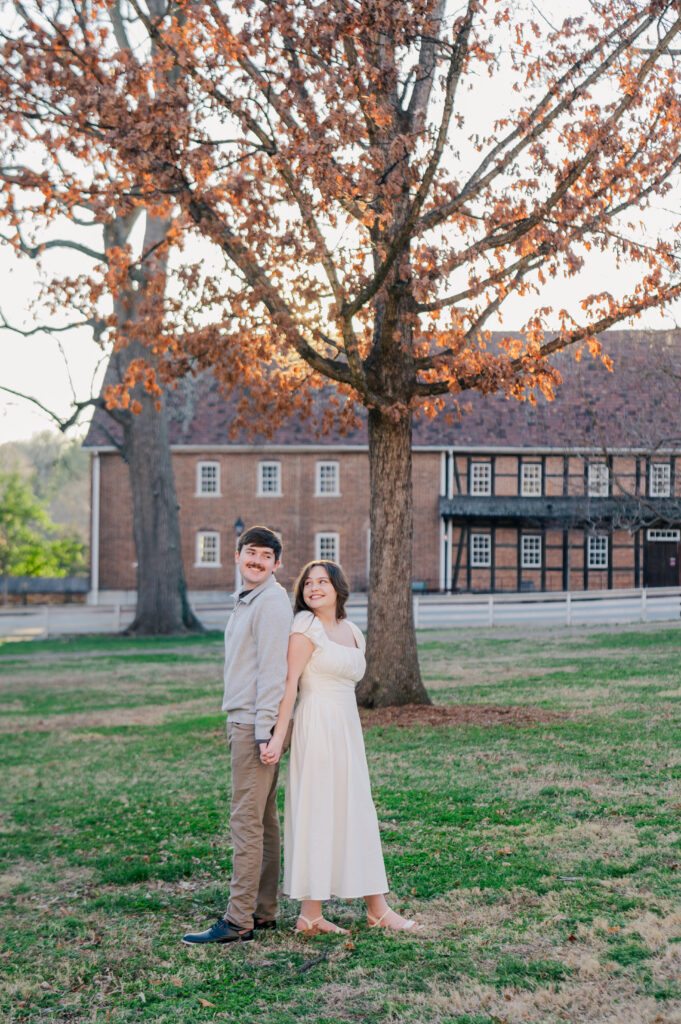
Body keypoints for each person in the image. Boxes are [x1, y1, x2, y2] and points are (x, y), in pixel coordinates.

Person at [261, 560, 419, 934]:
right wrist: (279, 735)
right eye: (308, 583)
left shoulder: (352, 631)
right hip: (316, 726)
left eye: (322, 582)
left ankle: (376, 908)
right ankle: (310, 914)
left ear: (338, 588)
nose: (314, 588)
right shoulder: (304, 627)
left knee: (356, 810)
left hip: (347, 728)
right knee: (318, 810)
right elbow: (289, 685)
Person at [183, 525, 293, 945]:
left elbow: (272, 671)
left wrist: (266, 730)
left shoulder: (270, 601)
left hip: (253, 725)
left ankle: (238, 920)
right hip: (249, 721)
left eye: (266, 556)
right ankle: (262, 911)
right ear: (237, 556)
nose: (257, 560)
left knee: (246, 822)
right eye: (251, 553)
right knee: (263, 820)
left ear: (276, 564)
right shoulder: (249, 599)